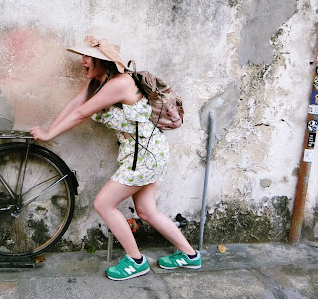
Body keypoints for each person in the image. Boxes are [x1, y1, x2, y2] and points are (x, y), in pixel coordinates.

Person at [30, 35, 200, 280]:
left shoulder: (120, 83)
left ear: (103, 60)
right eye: (83, 56)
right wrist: (47, 131)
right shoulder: (98, 82)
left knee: (103, 203)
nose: (83, 61)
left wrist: (49, 134)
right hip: (143, 153)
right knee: (147, 211)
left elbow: (81, 113)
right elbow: (75, 104)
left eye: (88, 56)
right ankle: (190, 255)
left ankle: (136, 260)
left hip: (144, 156)